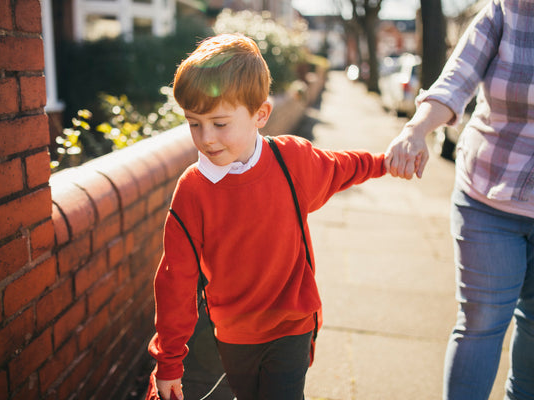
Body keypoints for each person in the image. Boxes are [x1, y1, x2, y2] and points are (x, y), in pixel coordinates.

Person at [145, 33, 389, 400]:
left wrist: (387, 163)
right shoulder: (193, 190)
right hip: (232, 334)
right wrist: (169, 362)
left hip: (293, 325)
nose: (206, 138)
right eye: (194, 123)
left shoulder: (293, 160)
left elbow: (343, 166)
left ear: (260, 114)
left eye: (220, 123)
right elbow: (175, 282)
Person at [385, 1, 534, 399]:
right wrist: (416, 130)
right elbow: (456, 79)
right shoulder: (507, 11)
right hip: (489, 194)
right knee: (482, 322)